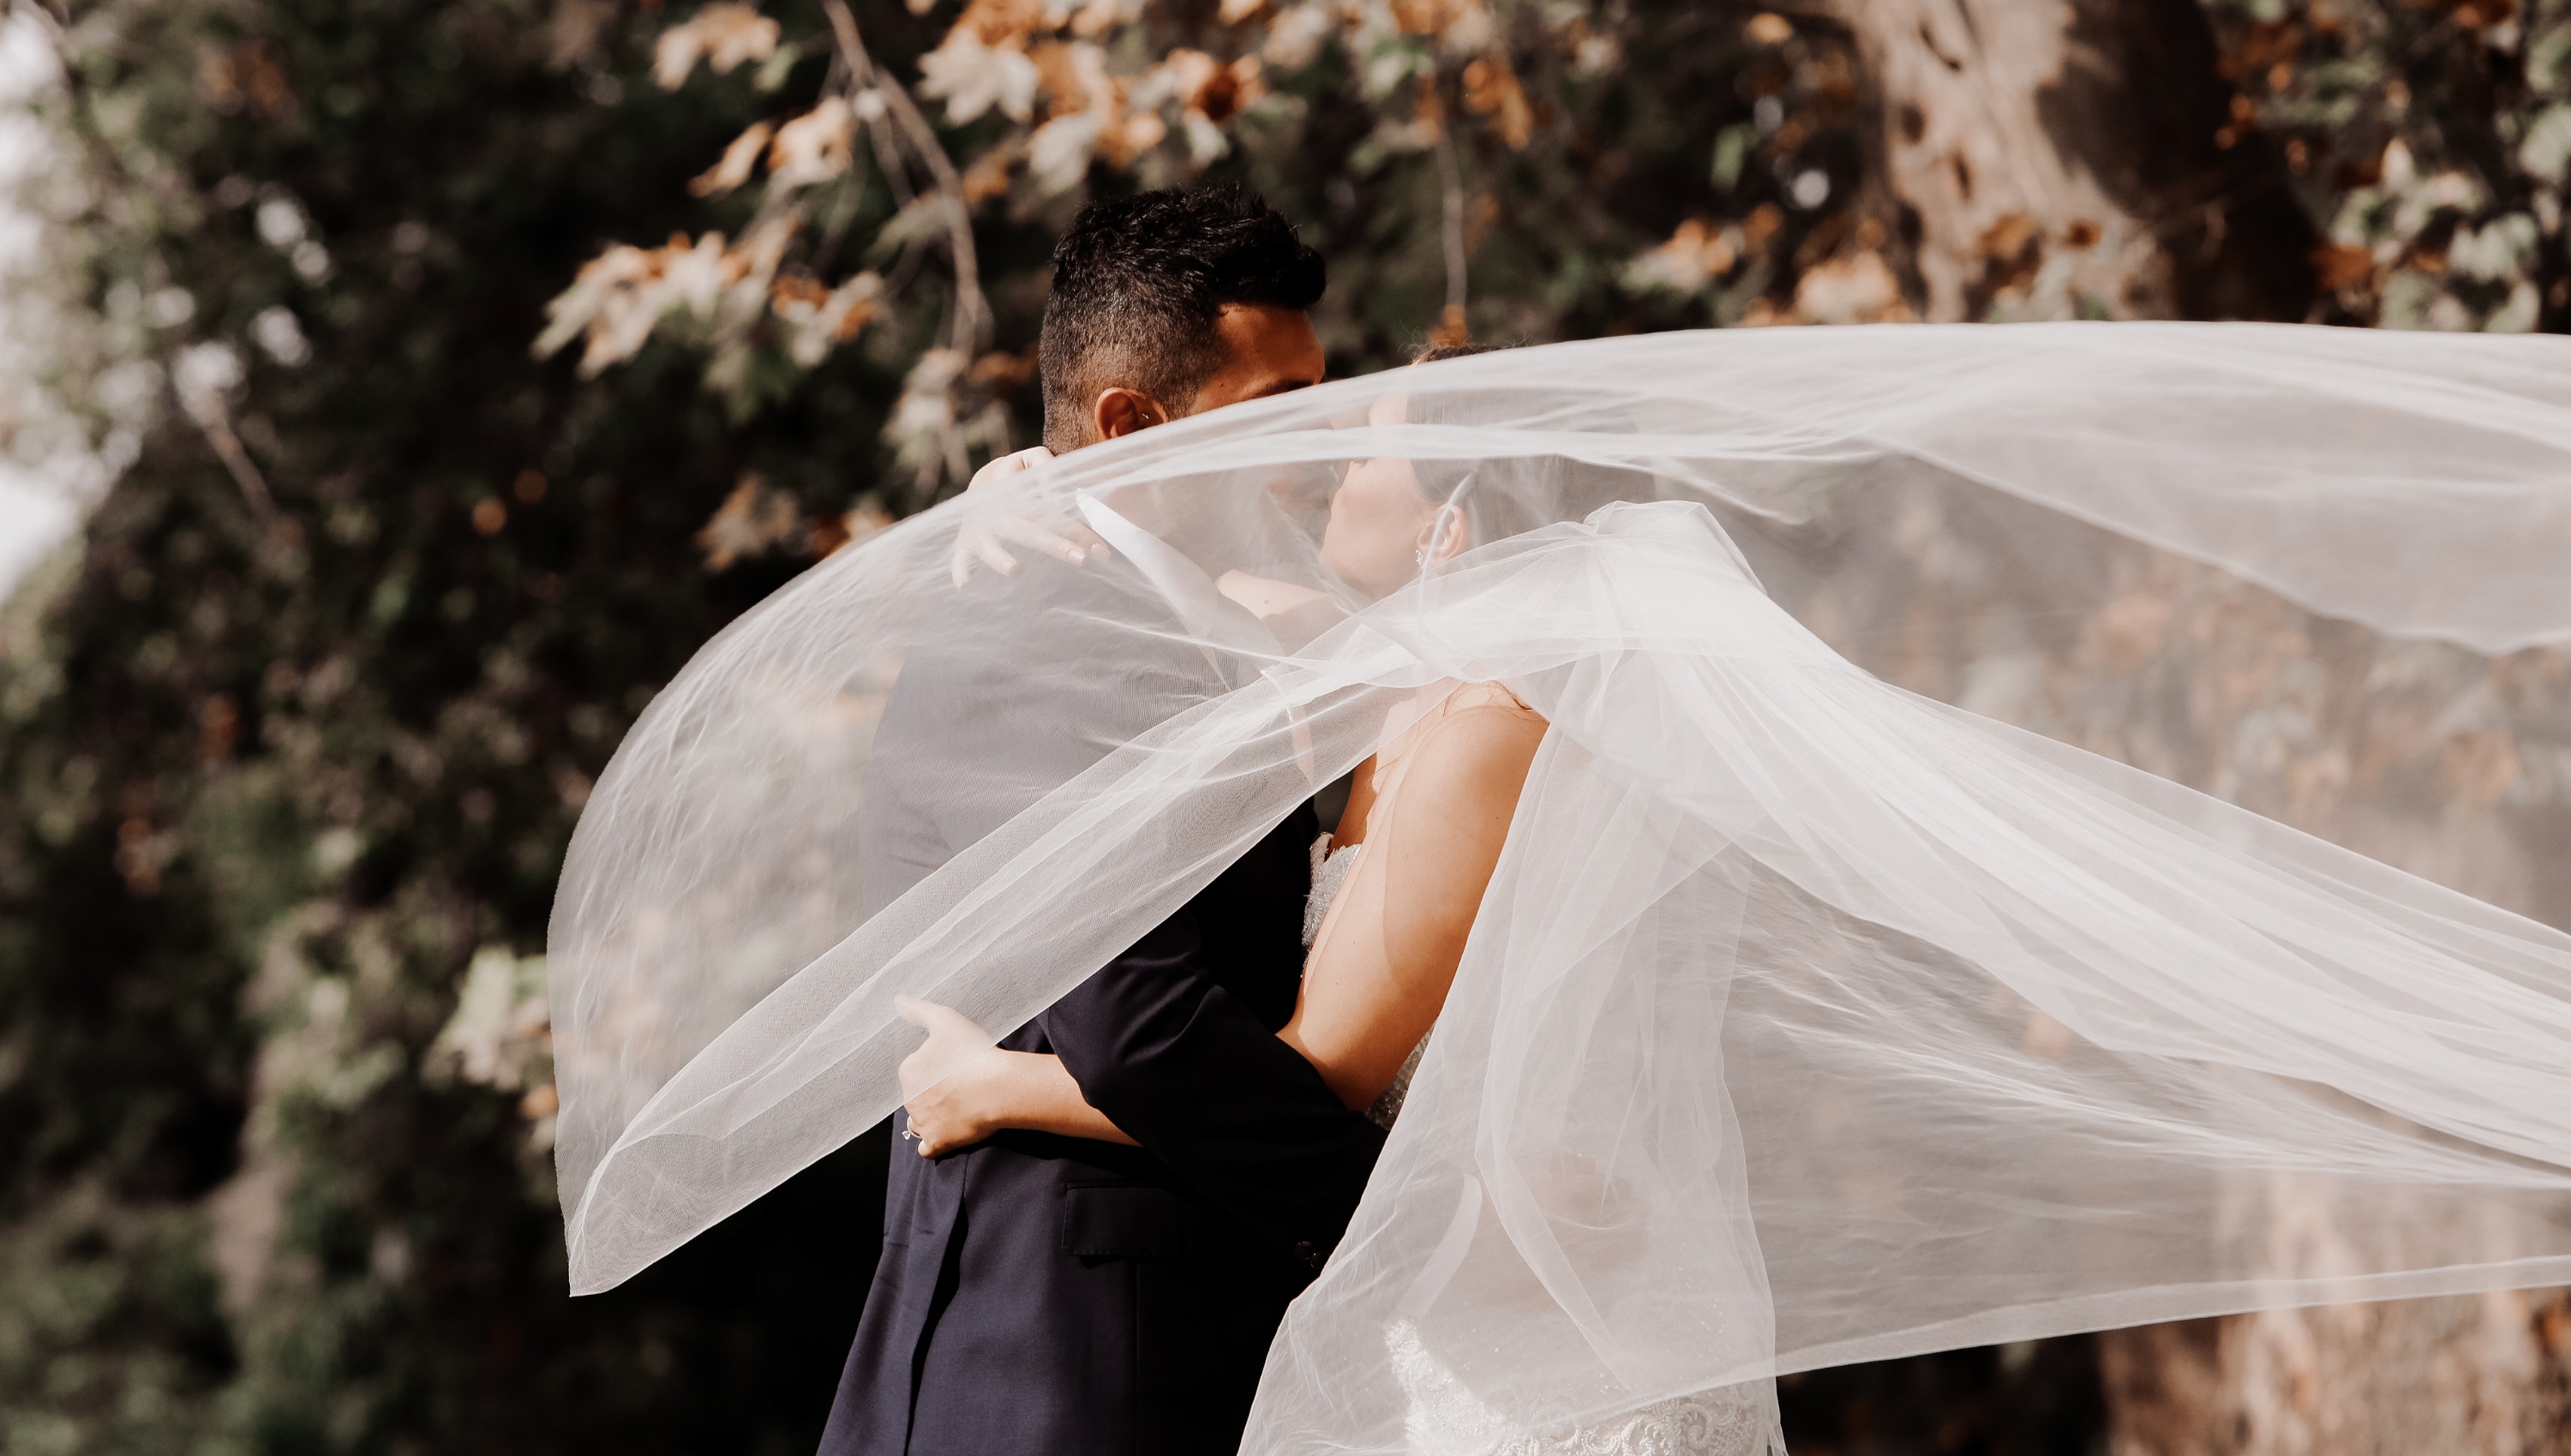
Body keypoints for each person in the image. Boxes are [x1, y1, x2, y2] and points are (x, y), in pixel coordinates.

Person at [813, 184, 1385, 1456]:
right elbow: (1138, 1022)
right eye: (1275, 412)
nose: (1323, 447)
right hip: (1071, 1368)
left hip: (1166, 1338)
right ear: (1132, 422)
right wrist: (1399, 1202)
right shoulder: (1046, 627)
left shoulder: (1182, 614)